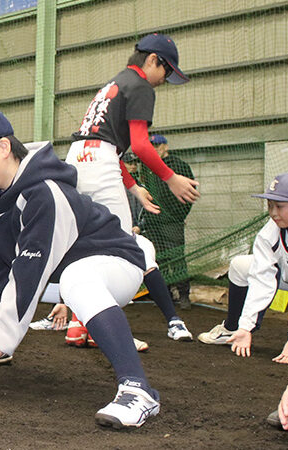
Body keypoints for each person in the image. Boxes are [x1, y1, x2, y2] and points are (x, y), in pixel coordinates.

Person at [0, 105, 160, 429]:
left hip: (116, 265)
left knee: (74, 278)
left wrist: (1, 339)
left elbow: (29, 273)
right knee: (41, 277)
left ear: (3, 147)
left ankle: (138, 389)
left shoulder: (47, 193)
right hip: (59, 274)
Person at [65, 33, 196, 344]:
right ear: (152, 60)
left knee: (89, 244)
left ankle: (78, 324)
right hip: (101, 164)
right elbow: (139, 144)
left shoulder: (113, 85)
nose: (164, 80)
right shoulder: (140, 86)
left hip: (77, 159)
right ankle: (108, 330)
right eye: (166, 70)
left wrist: (134, 187)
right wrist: (171, 178)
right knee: (124, 251)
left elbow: (102, 143)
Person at [198, 173, 288, 367]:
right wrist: (245, 327)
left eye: (280, 206)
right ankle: (231, 328)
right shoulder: (271, 230)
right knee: (240, 266)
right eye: (270, 205)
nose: (273, 212)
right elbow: (262, 278)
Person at [142, 134, 194, 309]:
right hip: (153, 222)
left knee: (176, 257)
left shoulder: (178, 166)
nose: (154, 149)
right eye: (151, 146)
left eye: (157, 145)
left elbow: (189, 192)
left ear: (165, 146)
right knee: (159, 260)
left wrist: (177, 216)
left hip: (172, 222)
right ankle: (165, 295)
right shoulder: (147, 167)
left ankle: (184, 295)